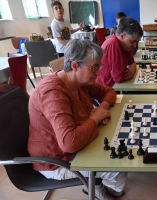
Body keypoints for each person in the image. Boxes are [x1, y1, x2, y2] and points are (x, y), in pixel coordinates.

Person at [28, 39, 127, 200]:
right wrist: (94, 119)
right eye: (94, 67)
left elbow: (109, 91)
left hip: (79, 145)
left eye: (99, 66)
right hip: (56, 160)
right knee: (118, 167)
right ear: (75, 66)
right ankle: (101, 189)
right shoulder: (53, 93)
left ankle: (96, 184)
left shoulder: (79, 81)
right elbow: (69, 143)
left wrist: (101, 108)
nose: (98, 73)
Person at [96, 17, 143, 87]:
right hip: (107, 89)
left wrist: (132, 71)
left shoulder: (125, 45)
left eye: (136, 41)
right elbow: (119, 78)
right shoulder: (113, 44)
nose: (135, 45)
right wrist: (130, 71)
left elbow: (132, 62)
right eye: (132, 41)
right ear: (122, 36)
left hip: (117, 86)